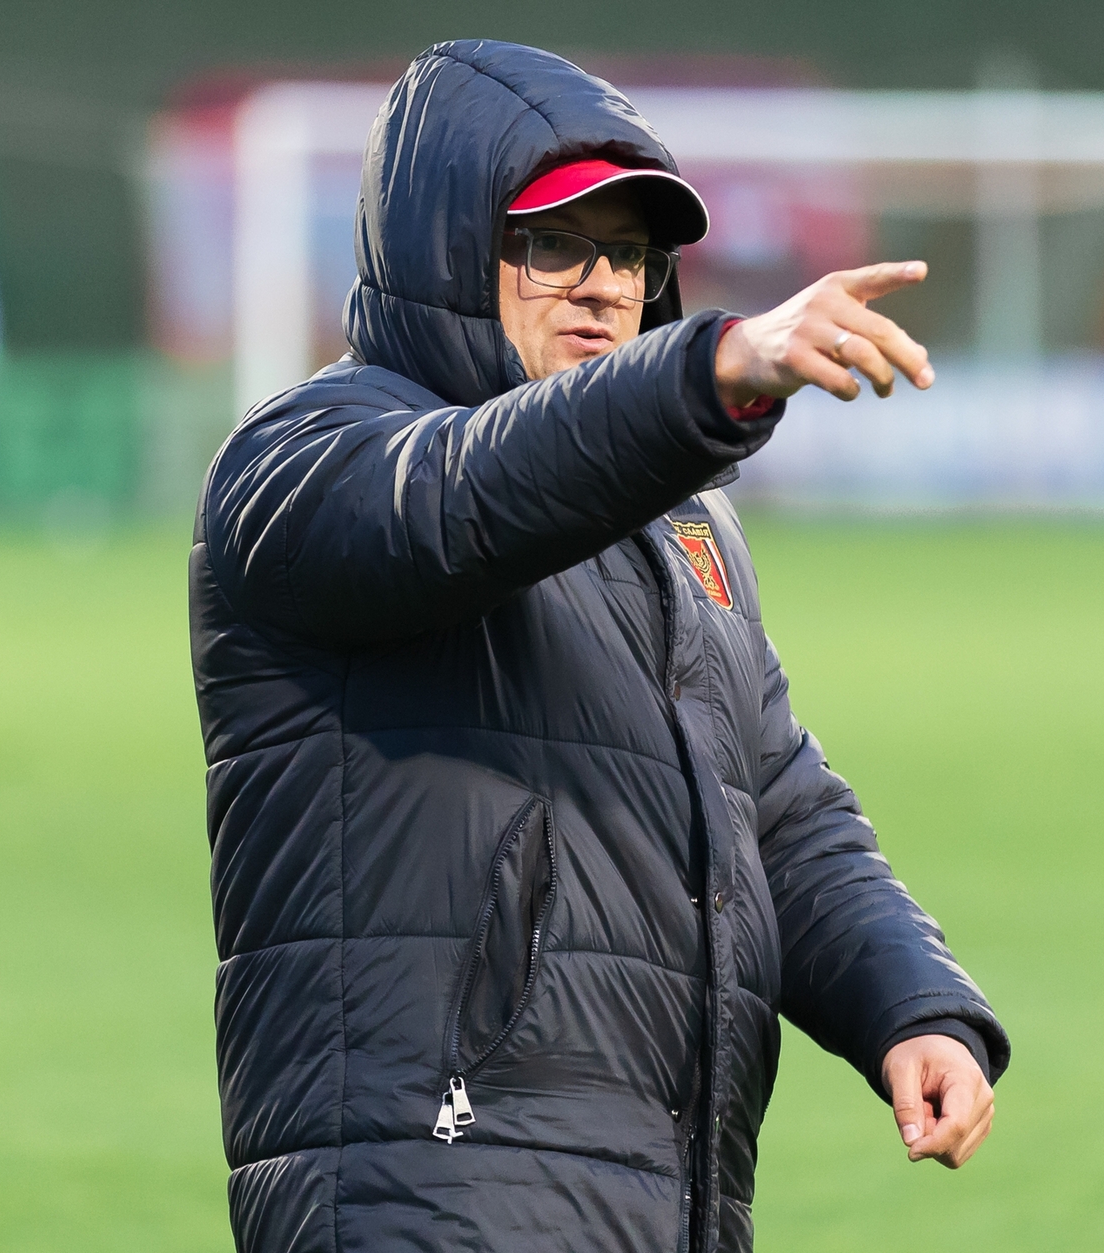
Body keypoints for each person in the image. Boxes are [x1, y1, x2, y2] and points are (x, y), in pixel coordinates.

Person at [190, 39, 1009, 1253]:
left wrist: (909, 1003)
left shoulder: (681, 518)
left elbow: (774, 806)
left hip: (655, 1193)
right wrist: (708, 375)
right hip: (430, 1189)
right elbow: (464, 494)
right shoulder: (304, 459)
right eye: (554, 244)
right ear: (446, 251)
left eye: (629, 255)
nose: (603, 287)